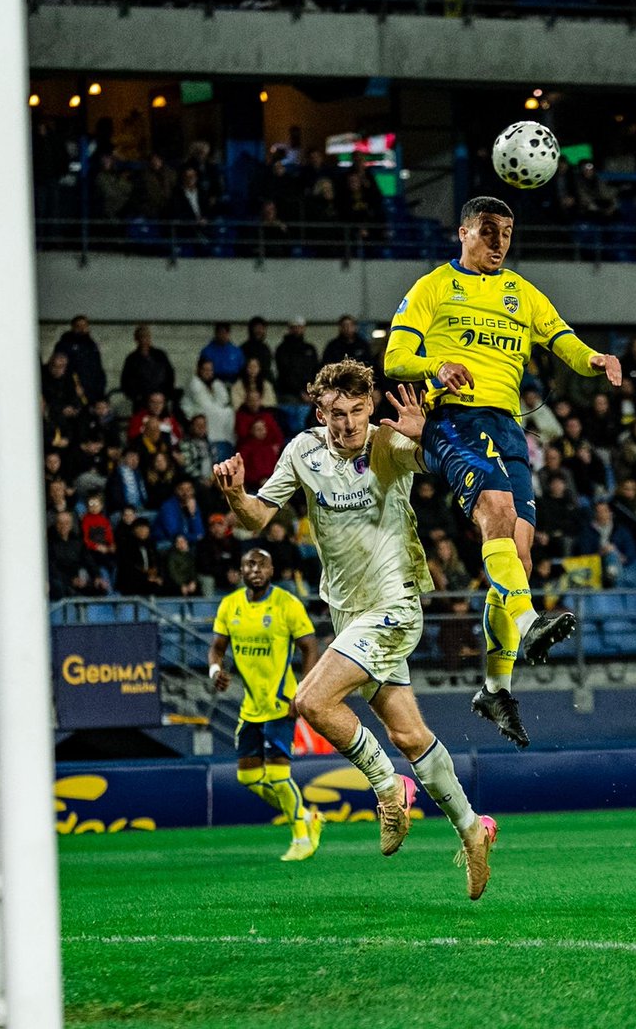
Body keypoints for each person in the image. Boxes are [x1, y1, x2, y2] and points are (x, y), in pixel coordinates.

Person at [213, 361, 498, 899]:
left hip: (394, 606)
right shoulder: (302, 451)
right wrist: (234, 494)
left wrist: (426, 432)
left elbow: (432, 461)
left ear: (371, 408)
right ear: (320, 412)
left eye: (357, 412)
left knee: (312, 702)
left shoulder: (386, 445)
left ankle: (389, 790)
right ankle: (472, 827)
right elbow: (255, 519)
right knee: (409, 735)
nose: (347, 425)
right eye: (336, 414)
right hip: (348, 615)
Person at [384, 195, 622, 746]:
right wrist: (435, 367)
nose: (499, 242)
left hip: (509, 427)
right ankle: (527, 620)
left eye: (507, 232)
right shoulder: (433, 288)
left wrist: (593, 359)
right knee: (496, 510)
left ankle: (494, 689)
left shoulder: (522, 292)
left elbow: (558, 336)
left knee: (520, 550)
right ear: (462, 232)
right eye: (488, 230)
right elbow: (396, 357)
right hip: (455, 420)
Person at [208, 548, 321, 860]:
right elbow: (217, 648)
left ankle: (301, 836)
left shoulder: (286, 604)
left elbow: (310, 646)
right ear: (241, 571)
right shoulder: (230, 605)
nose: (255, 569)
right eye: (249, 564)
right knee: (247, 777)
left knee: (277, 777)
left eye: (261, 564)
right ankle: (305, 816)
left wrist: (303, 692)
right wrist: (215, 670)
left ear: (272, 571)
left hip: (281, 702)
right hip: (251, 706)